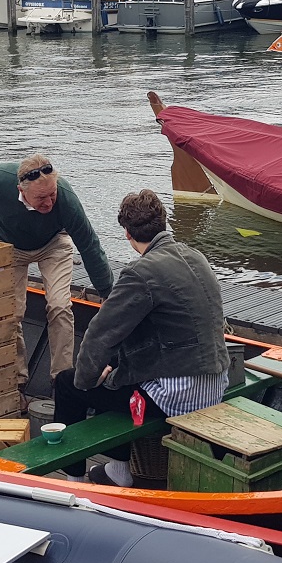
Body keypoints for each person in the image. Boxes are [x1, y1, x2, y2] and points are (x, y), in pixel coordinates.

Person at [53, 189, 229, 486]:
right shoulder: (195, 257)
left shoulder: (141, 272)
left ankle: (73, 481)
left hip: (176, 398)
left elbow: (100, 335)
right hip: (215, 384)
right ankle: (117, 473)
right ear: (163, 223)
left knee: (69, 384)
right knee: (114, 371)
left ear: (126, 233)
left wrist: (87, 381)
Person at [0, 155, 113, 399]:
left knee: (60, 306)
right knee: (13, 312)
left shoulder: (66, 199)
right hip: (8, 244)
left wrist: (106, 292)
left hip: (53, 244)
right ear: (21, 190)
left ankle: (61, 381)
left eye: (52, 194)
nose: (49, 202)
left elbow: (90, 246)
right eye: (41, 198)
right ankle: (17, 381)